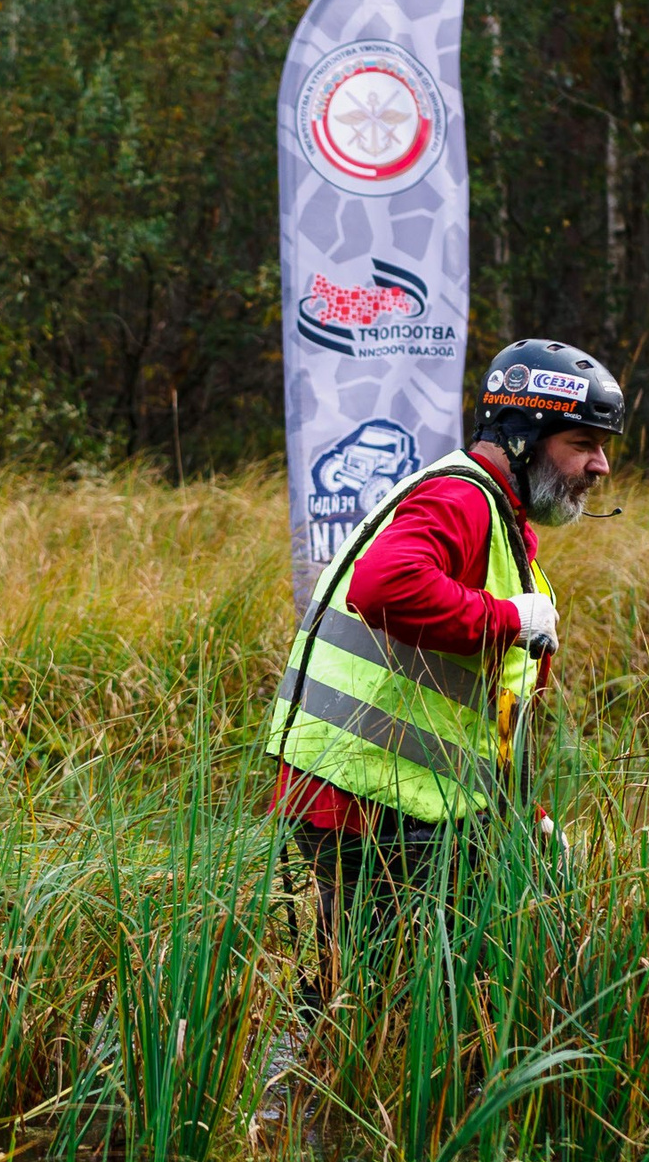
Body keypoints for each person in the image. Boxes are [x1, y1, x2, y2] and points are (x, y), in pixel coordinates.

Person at [265, 338, 625, 985]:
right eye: (582, 442)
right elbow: (383, 586)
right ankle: (311, 1084)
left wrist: (527, 812)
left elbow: (476, 713)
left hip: (410, 796)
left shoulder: (504, 523)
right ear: (522, 437)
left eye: (603, 447)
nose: (600, 465)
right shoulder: (460, 500)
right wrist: (510, 618)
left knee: (411, 991)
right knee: (381, 1000)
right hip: (364, 797)